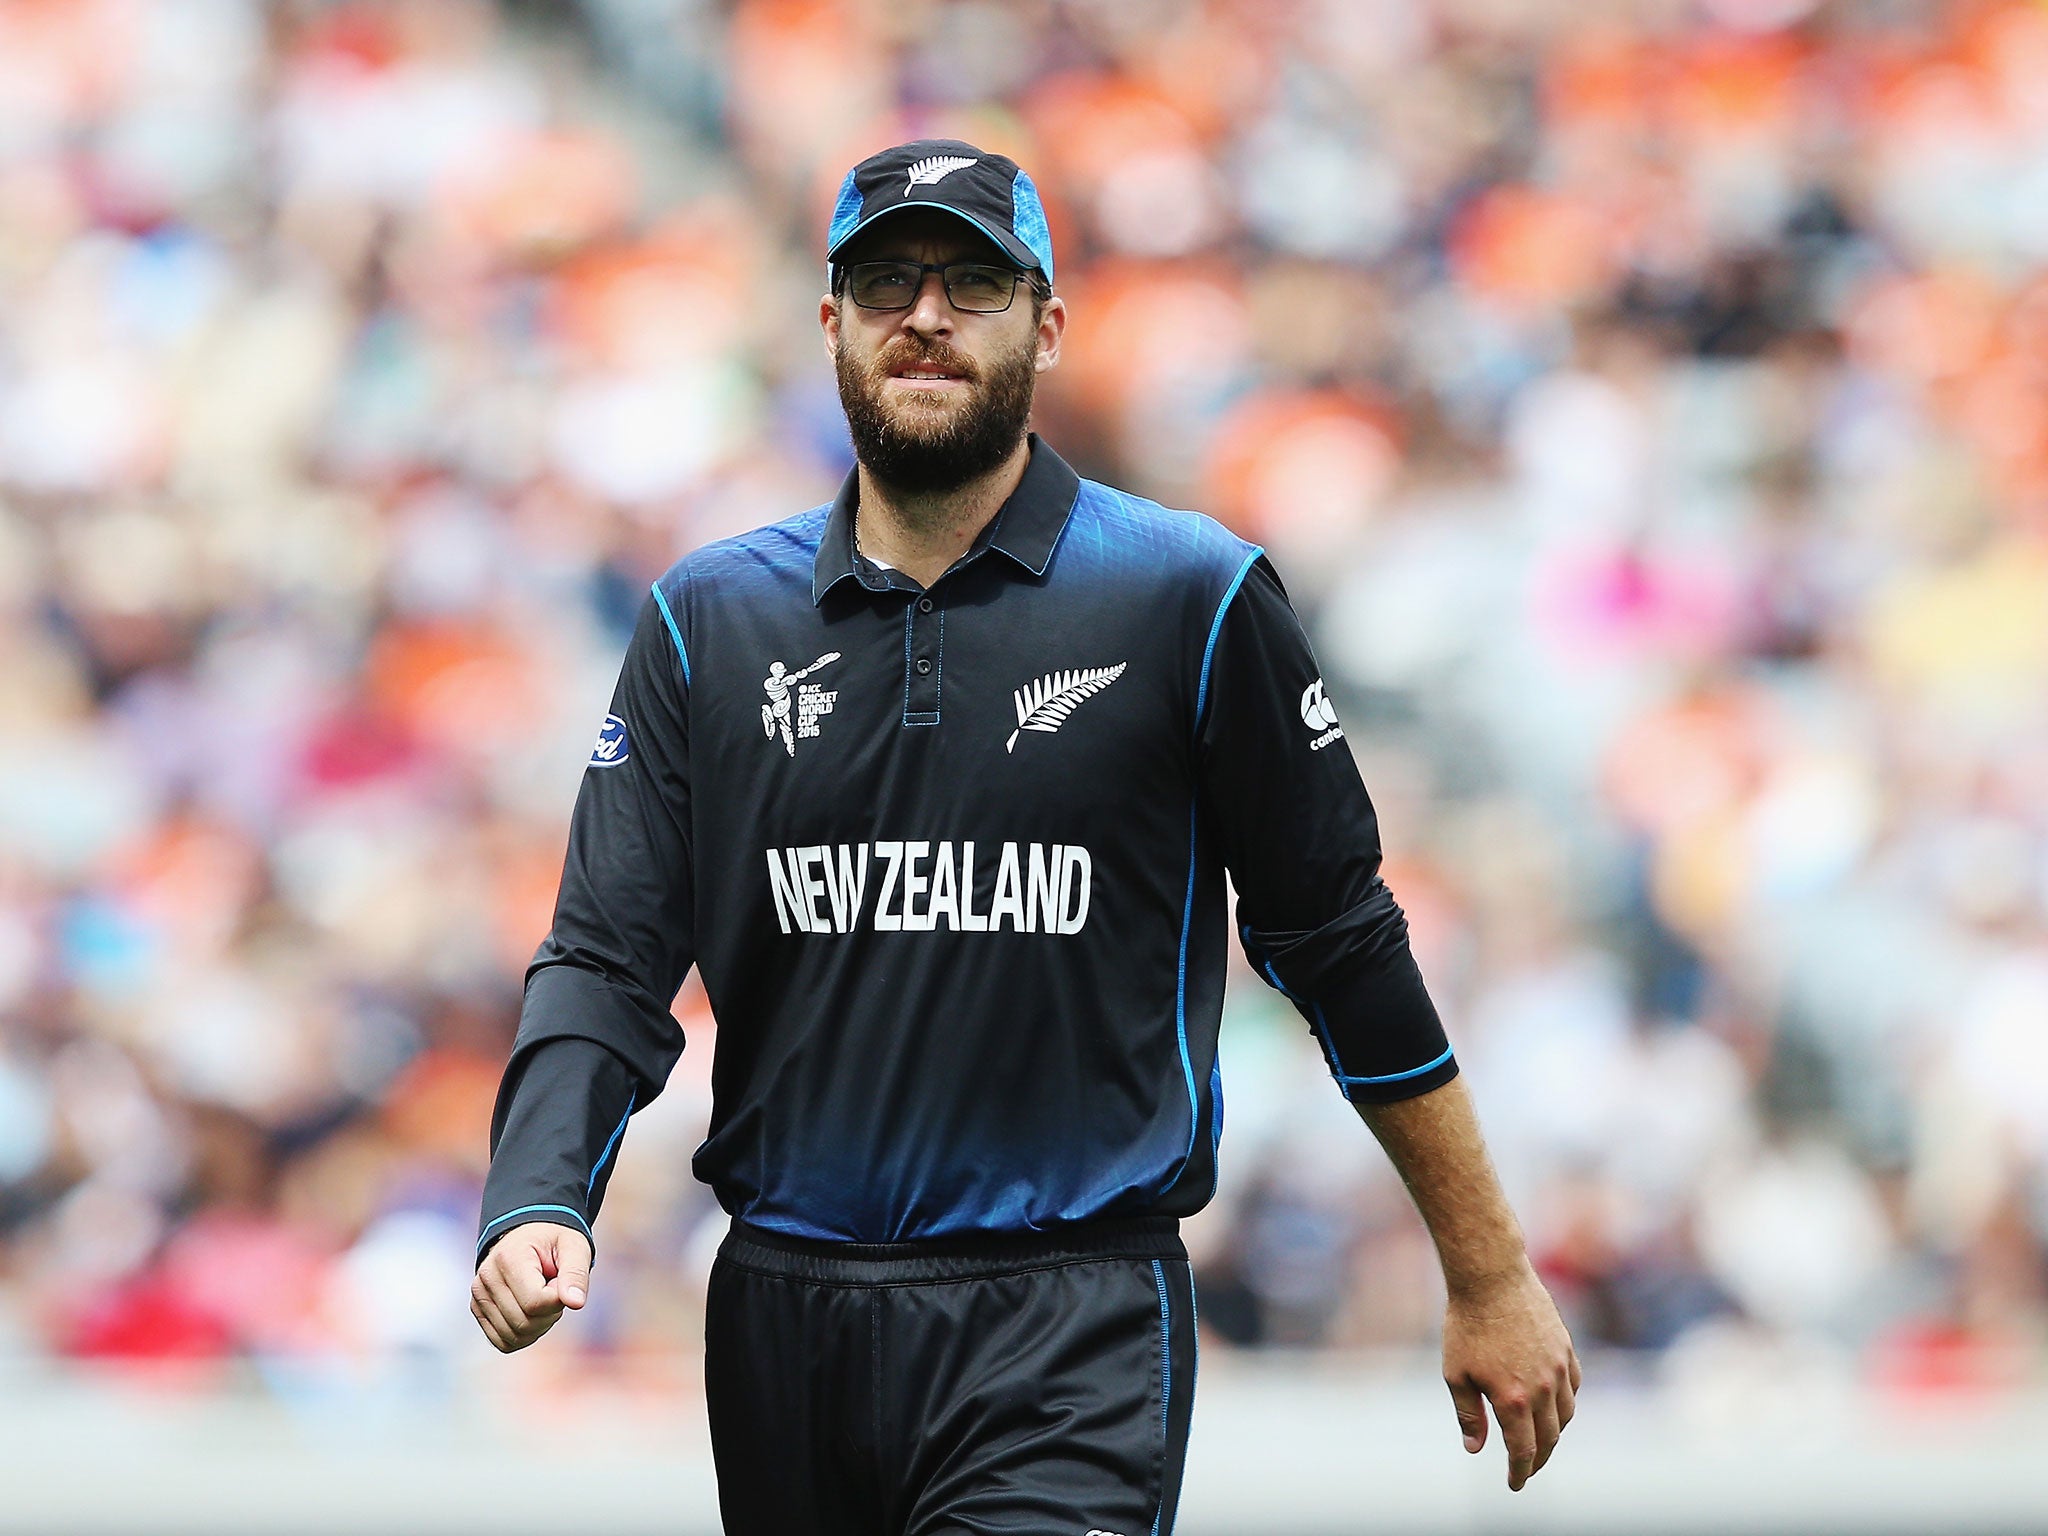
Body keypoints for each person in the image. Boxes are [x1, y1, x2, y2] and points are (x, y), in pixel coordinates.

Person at [470, 138, 1578, 1535]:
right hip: (782, 1320)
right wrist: (535, 1194)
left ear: (1047, 325)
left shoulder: (1190, 596)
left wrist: (1484, 1269)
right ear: (831, 325)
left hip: (1072, 1325)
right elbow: (607, 957)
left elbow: (1342, 945)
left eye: (973, 283)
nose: (924, 314)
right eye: (885, 282)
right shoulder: (711, 619)